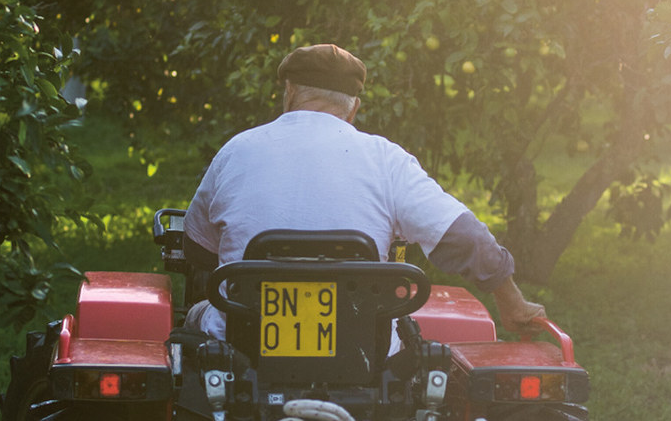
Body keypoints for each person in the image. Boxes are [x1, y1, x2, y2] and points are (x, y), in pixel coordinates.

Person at [182, 43, 545, 347]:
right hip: (362, 353)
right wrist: (512, 303)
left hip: (241, 345)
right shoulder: (386, 160)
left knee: (195, 315)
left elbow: (198, 248)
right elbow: (462, 236)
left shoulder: (236, 151)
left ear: (289, 92)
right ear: (354, 108)